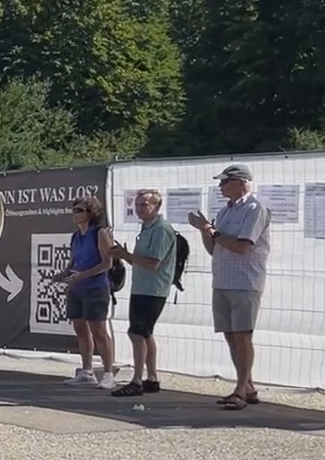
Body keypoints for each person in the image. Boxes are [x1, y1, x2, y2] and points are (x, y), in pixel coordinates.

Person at [192, 165, 271, 410]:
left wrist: (210, 230)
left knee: (242, 335)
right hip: (222, 281)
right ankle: (247, 386)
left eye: (225, 182)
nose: (220, 187)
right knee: (230, 335)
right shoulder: (225, 212)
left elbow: (242, 247)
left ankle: (240, 390)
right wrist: (205, 230)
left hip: (245, 282)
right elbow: (215, 248)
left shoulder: (254, 209)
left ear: (240, 182)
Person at [110, 189, 179, 398]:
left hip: (153, 289)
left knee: (137, 333)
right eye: (137, 205)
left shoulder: (161, 230)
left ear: (157, 207)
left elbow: (153, 263)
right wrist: (124, 256)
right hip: (141, 287)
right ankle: (152, 378)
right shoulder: (146, 228)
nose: (139, 209)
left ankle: (137, 380)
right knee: (145, 333)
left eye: (144, 205)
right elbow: (140, 260)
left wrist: (126, 255)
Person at [62, 196, 118, 389]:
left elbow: (107, 263)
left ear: (91, 213)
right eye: (74, 210)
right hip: (76, 288)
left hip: (96, 288)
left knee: (99, 332)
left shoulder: (100, 233)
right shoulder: (75, 236)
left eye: (79, 210)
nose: (75, 214)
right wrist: (63, 275)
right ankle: (87, 371)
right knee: (81, 330)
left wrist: (83, 275)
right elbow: (73, 263)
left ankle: (109, 374)